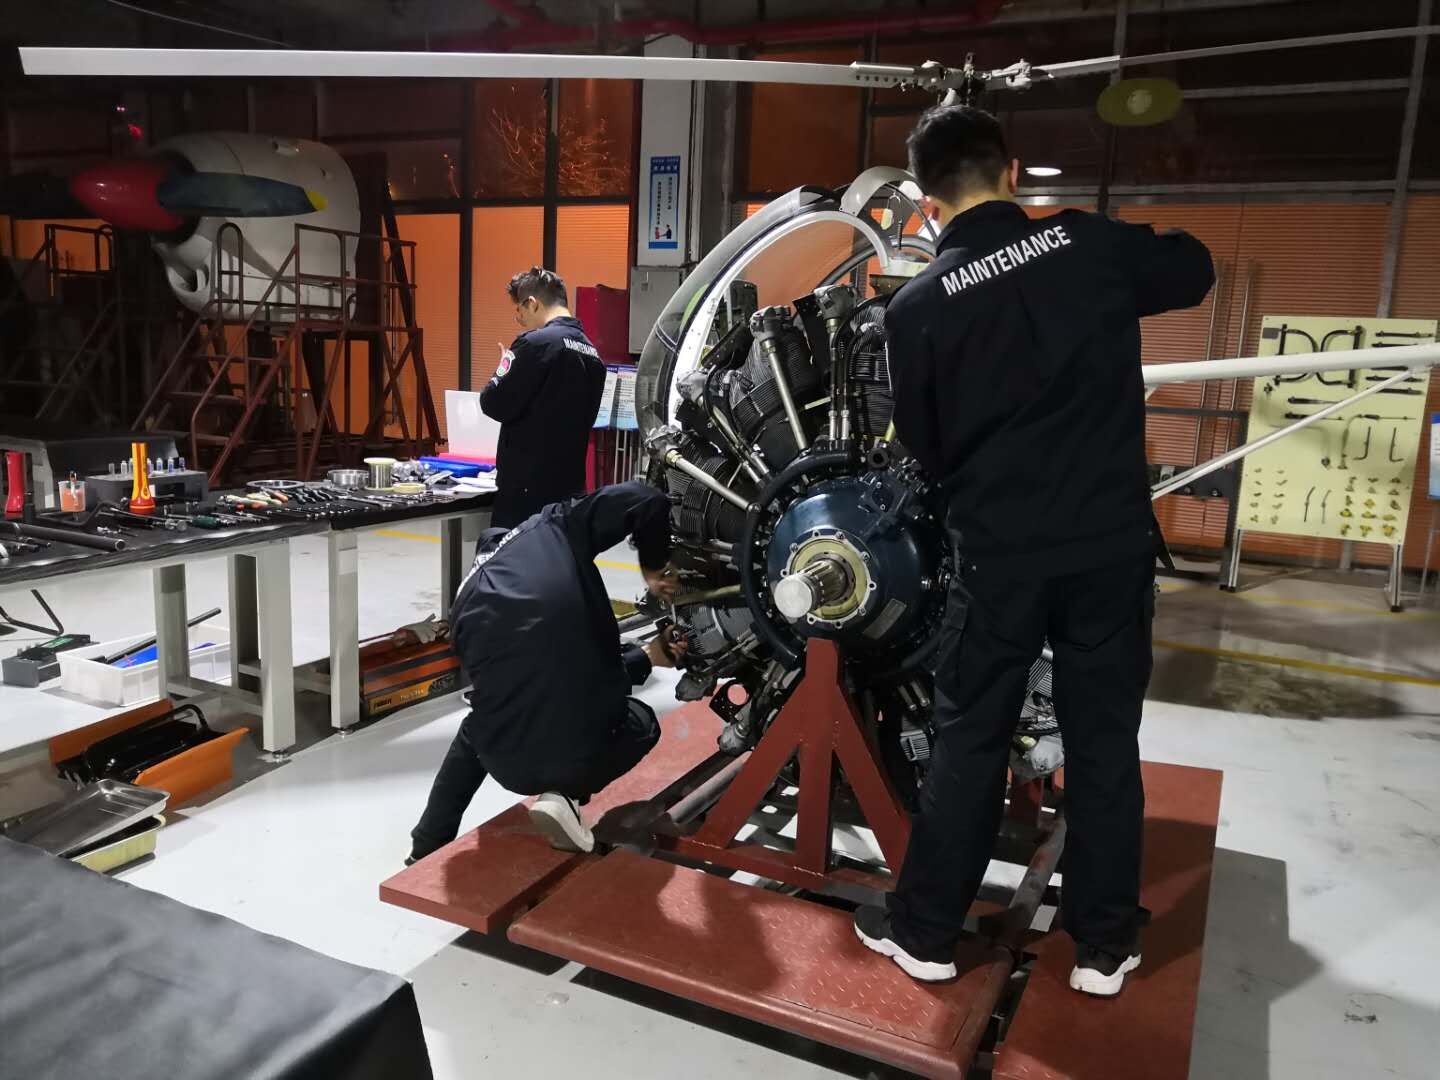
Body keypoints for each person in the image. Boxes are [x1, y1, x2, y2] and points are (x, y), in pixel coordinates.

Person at [852, 106, 1214, 996]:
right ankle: (1103, 945)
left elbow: (925, 448)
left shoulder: (917, 308)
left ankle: (927, 933)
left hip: (999, 557)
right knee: (1104, 742)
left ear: (927, 201)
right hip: (1107, 551)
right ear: (1011, 172)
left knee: (970, 740)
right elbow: (1195, 267)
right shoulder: (1086, 244)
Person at [408, 481, 684, 862]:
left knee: (477, 726)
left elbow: (542, 675)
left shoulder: (464, 604)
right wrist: (654, 569)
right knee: (642, 722)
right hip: (578, 751)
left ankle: (425, 845)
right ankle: (566, 794)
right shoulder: (556, 526)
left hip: (505, 764)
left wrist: (648, 656)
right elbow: (646, 498)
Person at [482, 267, 608, 529]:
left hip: (526, 494)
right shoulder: (592, 353)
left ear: (532, 303)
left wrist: (503, 368)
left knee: (511, 554)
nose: (520, 320)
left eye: (519, 311)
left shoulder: (535, 344)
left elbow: (493, 402)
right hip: (569, 491)